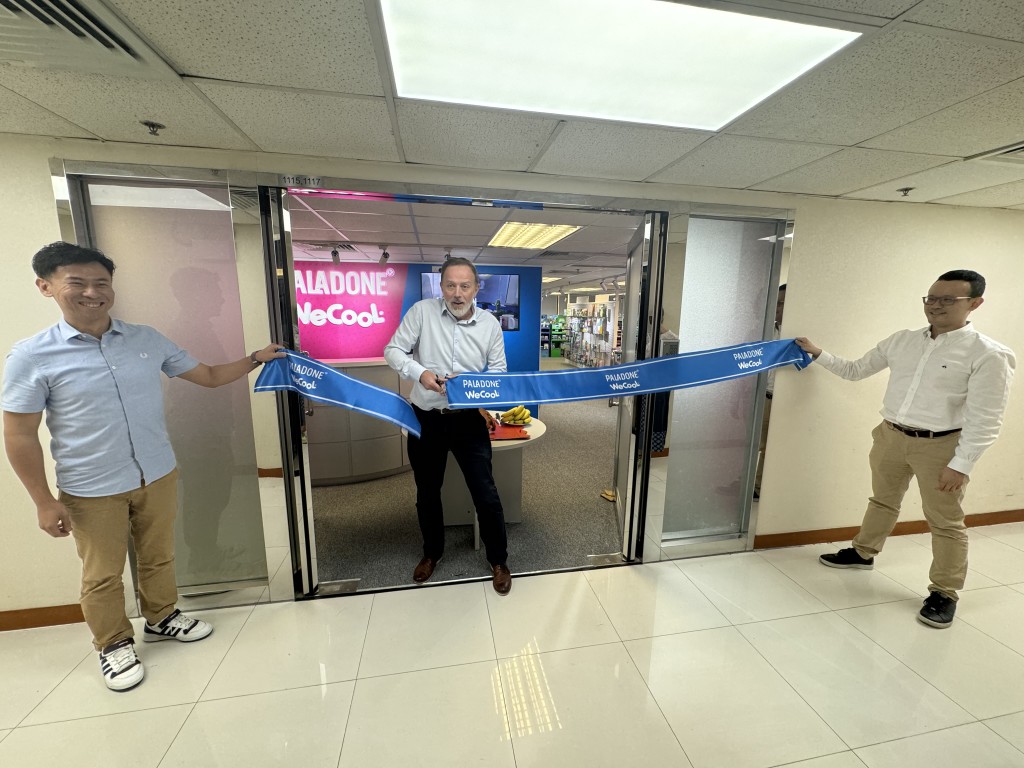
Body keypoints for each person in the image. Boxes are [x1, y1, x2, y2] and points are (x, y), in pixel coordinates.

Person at [2, 242, 284, 691]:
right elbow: (18, 434)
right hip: (91, 485)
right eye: (77, 282)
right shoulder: (31, 356)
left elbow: (207, 376)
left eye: (101, 283)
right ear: (46, 287)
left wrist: (255, 359)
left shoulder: (145, 339)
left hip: (156, 472)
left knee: (159, 555)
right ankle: (113, 643)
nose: (92, 292)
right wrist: (42, 500)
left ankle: (162, 616)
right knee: (102, 572)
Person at [795, 270, 1014, 629]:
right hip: (890, 436)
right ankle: (863, 552)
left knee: (945, 521)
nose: (936, 306)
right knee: (882, 499)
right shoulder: (903, 340)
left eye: (948, 300)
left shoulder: (988, 354)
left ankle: (945, 592)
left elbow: (986, 418)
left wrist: (962, 464)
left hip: (941, 446)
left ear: (975, 303)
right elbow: (855, 370)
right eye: (931, 298)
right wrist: (819, 354)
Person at [384, 257, 512, 595]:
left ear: (476, 288)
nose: (457, 293)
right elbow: (393, 350)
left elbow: (498, 371)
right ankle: (431, 553)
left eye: (465, 286)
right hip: (426, 417)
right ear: (441, 287)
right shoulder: (422, 312)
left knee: (485, 492)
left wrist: (472, 387)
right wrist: (419, 373)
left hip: (468, 419)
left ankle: (498, 560)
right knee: (427, 493)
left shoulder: (489, 324)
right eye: (450, 285)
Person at [754, 284, 786, 498]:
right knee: (754, 443)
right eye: (775, 302)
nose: (776, 307)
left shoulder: (793, 335)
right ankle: (748, 481)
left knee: (769, 447)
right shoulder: (767, 330)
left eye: (781, 303)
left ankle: (757, 488)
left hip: (782, 400)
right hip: (762, 396)